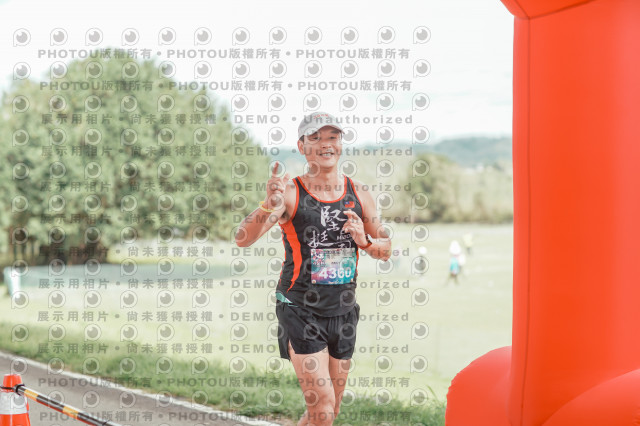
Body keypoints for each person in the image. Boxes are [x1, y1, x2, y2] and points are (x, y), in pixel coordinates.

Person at [235, 111, 392, 426]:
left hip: (343, 311)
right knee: (322, 405)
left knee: (328, 410)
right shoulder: (290, 193)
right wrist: (268, 204)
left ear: (341, 144)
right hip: (300, 309)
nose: (326, 144)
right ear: (302, 146)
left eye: (332, 137)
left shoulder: (359, 192)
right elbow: (243, 238)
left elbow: (385, 249)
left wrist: (364, 241)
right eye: (316, 138)